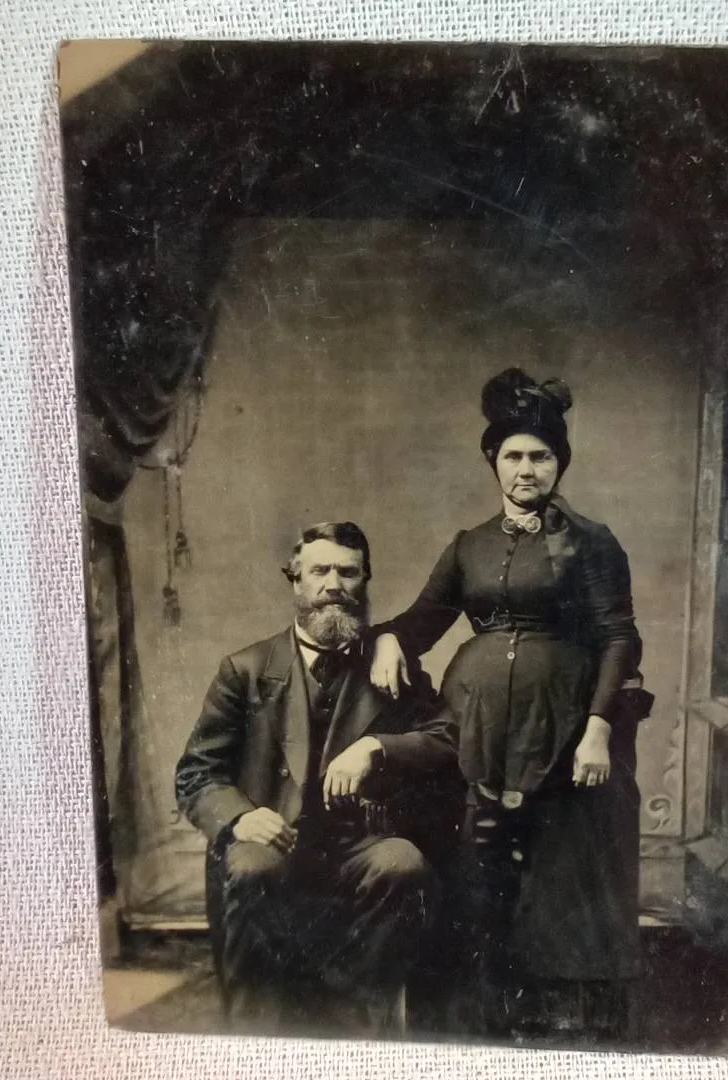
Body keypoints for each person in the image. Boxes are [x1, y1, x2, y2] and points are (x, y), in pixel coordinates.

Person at [371, 368, 653, 1042]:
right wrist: (387, 640)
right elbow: (423, 620)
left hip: (562, 724)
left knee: (560, 864)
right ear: (493, 461)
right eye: (514, 456)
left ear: (560, 463)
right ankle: (482, 1015)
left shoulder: (591, 540)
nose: (527, 470)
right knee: (479, 865)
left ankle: (561, 1020)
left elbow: (618, 636)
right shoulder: (468, 545)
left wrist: (597, 729)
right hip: (477, 724)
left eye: (541, 456)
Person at [175, 522, 461, 1035]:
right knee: (252, 865)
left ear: (365, 580)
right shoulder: (246, 670)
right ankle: (257, 1040)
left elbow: (447, 738)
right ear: (295, 579)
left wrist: (377, 748)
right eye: (320, 571)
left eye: (348, 572)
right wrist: (240, 818)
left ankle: (360, 1030)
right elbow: (197, 772)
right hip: (275, 843)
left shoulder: (390, 664)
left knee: (402, 862)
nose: (334, 585)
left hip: (357, 845)